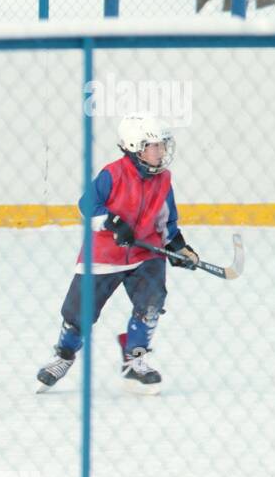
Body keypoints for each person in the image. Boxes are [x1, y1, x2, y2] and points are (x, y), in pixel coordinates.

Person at [36, 113, 199, 395]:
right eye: (154, 145)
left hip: (145, 253)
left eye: (162, 145)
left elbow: (166, 218)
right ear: (135, 147)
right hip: (104, 254)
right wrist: (111, 222)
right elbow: (87, 205)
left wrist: (177, 245)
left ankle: (134, 361)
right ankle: (63, 356)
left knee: (150, 303)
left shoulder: (163, 179)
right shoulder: (113, 174)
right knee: (78, 313)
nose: (161, 151)